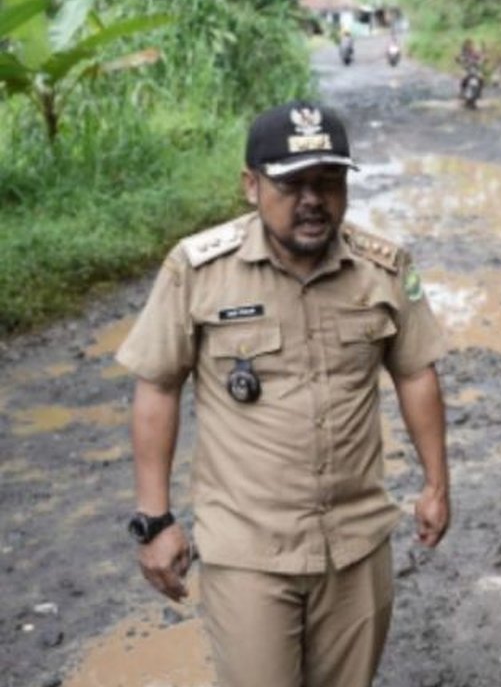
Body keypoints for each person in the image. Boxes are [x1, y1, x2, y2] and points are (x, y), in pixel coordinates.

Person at [117, 100, 451, 687]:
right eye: (292, 184)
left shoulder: (384, 269)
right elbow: (159, 386)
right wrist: (155, 519)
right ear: (251, 186)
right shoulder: (197, 270)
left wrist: (436, 485)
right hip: (248, 548)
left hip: (356, 542)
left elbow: (415, 373)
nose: (313, 200)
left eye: (329, 182)